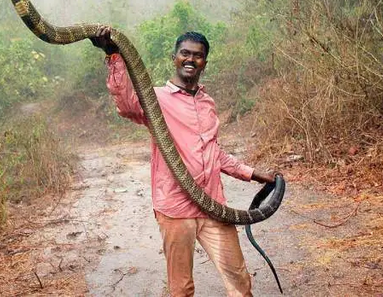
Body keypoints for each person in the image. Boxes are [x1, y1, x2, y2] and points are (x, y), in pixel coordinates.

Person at [90, 26, 276, 297]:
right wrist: (113, 55)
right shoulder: (156, 99)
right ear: (174, 57)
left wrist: (254, 173)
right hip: (175, 209)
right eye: (185, 53)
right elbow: (127, 106)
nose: (191, 59)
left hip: (213, 206)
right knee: (182, 288)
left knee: (240, 281)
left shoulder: (207, 102)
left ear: (205, 63)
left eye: (197, 56)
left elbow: (215, 153)